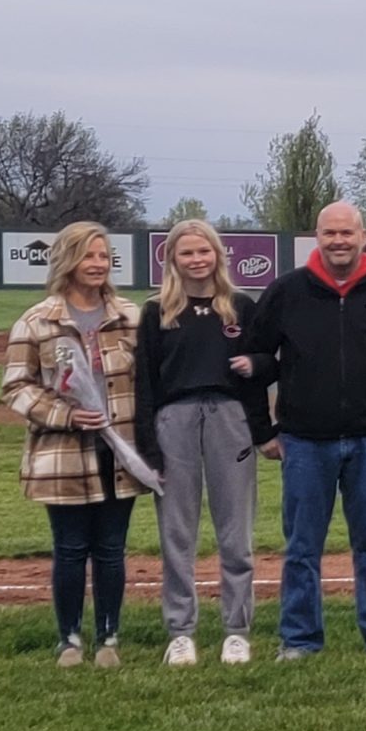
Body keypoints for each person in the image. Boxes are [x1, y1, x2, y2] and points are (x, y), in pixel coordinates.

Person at [240, 201, 366, 660]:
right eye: (330, 233)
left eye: (346, 233)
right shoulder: (287, 292)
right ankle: (300, 639)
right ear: (316, 236)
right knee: (303, 548)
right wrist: (263, 432)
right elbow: (252, 363)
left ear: (362, 235)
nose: (338, 241)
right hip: (304, 443)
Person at [2, 222, 146, 668]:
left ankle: (109, 638)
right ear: (67, 260)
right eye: (89, 256)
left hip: (118, 449)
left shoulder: (131, 317)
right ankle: (69, 640)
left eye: (104, 257)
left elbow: (150, 381)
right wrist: (65, 415)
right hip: (62, 453)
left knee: (110, 548)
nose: (98, 264)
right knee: (69, 547)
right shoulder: (36, 321)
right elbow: (16, 386)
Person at [137, 220, 270, 667]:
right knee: (177, 532)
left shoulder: (239, 307)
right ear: (172, 259)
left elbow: (268, 365)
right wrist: (147, 446)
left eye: (204, 251)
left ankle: (236, 630)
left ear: (218, 255)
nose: (196, 260)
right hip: (173, 420)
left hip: (230, 419)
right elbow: (145, 383)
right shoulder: (157, 311)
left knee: (236, 532)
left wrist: (260, 420)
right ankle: (181, 631)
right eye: (186, 253)